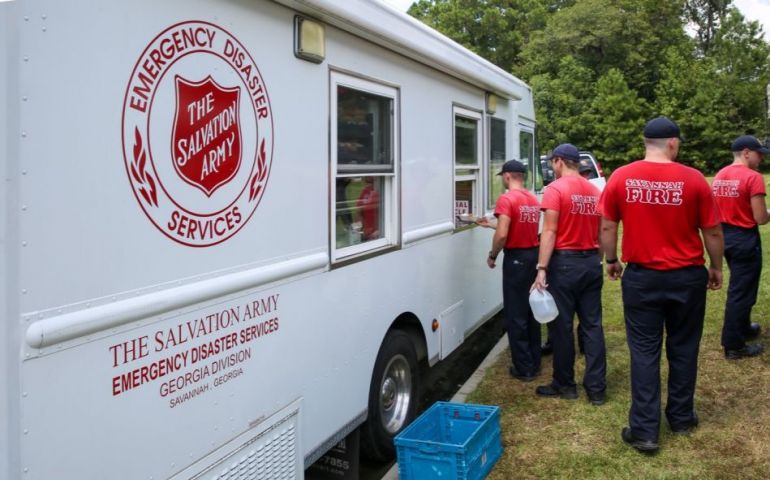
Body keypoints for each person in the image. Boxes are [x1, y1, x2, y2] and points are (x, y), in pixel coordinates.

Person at [599, 116, 723, 454]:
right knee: (684, 347)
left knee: (643, 351)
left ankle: (644, 431)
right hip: (687, 277)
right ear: (673, 143)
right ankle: (681, 418)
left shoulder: (621, 177)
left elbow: (608, 225)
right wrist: (715, 266)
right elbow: (712, 230)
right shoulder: (694, 179)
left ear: (646, 142)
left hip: (642, 278)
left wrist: (611, 260)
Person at [531, 143, 607, 406]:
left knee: (561, 326)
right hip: (590, 262)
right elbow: (602, 230)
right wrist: (597, 259)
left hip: (564, 264)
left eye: (552, 162)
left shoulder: (555, 189)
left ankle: (565, 384)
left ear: (559, 161)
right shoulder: (593, 190)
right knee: (592, 326)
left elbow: (550, 231)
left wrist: (542, 268)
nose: (552, 167)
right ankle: (596, 388)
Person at [484, 160, 542, 381]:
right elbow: (520, 225)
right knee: (530, 312)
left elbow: (502, 235)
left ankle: (524, 368)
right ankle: (534, 361)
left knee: (515, 314)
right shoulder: (531, 199)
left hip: (516, 259)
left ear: (507, 176)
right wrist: (490, 223)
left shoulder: (506, 199)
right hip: (532, 256)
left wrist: (492, 255)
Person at [712, 135, 769, 359]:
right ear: (746, 153)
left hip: (725, 235)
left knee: (741, 285)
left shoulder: (720, 175)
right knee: (742, 290)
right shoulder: (753, 178)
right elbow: (760, 217)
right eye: (759, 154)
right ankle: (734, 345)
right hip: (744, 237)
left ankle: (744, 328)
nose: (761, 159)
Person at [356, 176, 380, 241]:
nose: (369, 184)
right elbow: (359, 211)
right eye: (367, 182)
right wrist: (358, 228)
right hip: (366, 233)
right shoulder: (365, 190)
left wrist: (380, 230)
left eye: (371, 182)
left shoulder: (384, 192)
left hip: (378, 234)